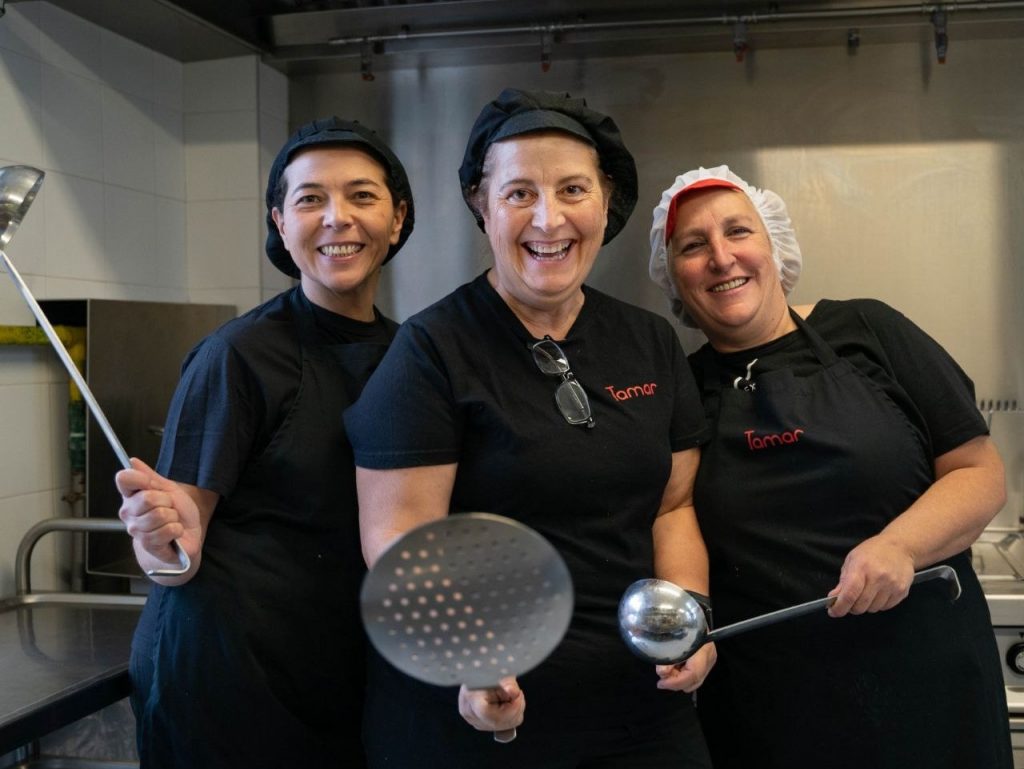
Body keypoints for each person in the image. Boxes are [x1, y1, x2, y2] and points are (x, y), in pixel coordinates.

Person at [344, 88, 714, 768]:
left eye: (573, 188)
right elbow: (399, 537)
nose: (549, 217)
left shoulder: (650, 341)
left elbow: (673, 504)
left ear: (606, 204)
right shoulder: (432, 350)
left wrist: (690, 619)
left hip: (641, 709)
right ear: (482, 208)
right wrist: (474, 662)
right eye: (518, 193)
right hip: (483, 712)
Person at [648, 164, 1012, 769]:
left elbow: (979, 471)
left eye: (739, 232)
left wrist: (899, 546)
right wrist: (688, 630)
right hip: (771, 706)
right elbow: (674, 515)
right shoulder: (681, 391)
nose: (721, 257)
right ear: (673, 276)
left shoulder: (868, 330)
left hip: (927, 682)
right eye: (693, 245)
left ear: (772, 246)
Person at [114, 117, 414, 769]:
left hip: (333, 674)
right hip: (226, 688)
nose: (338, 218)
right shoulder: (238, 356)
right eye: (310, 199)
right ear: (280, 223)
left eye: (362, 195)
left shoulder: (408, 355)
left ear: (397, 218)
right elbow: (177, 549)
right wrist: (158, 531)